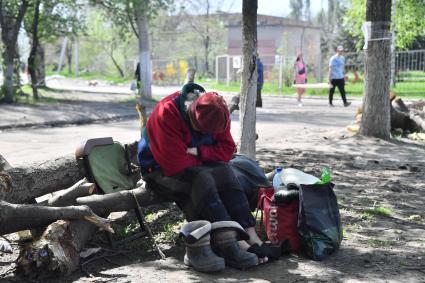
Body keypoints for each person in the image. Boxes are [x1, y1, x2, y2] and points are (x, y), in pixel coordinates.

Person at [137, 83, 279, 271]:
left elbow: (227, 150)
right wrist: (210, 157)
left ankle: (250, 236)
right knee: (202, 178)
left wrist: (198, 151)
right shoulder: (167, 113)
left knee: (225, 172)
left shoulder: (218, 110)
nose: (207, 135)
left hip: (195, 163)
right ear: (192, 115)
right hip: (157, 171)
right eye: (203, 132)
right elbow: (176, 165)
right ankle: (229, 243)